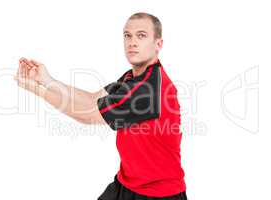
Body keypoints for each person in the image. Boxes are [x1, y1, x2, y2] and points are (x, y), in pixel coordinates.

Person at [14, 12, 188, 200]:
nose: (132, 42)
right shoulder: (133, 78)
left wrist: (35, 90)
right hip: (126, 184)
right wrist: (47, 80)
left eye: (141, 35)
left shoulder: (147, 90)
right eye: (127, 35)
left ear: (158, 44)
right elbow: (91, 99)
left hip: (157, 194)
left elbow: (87, 115)